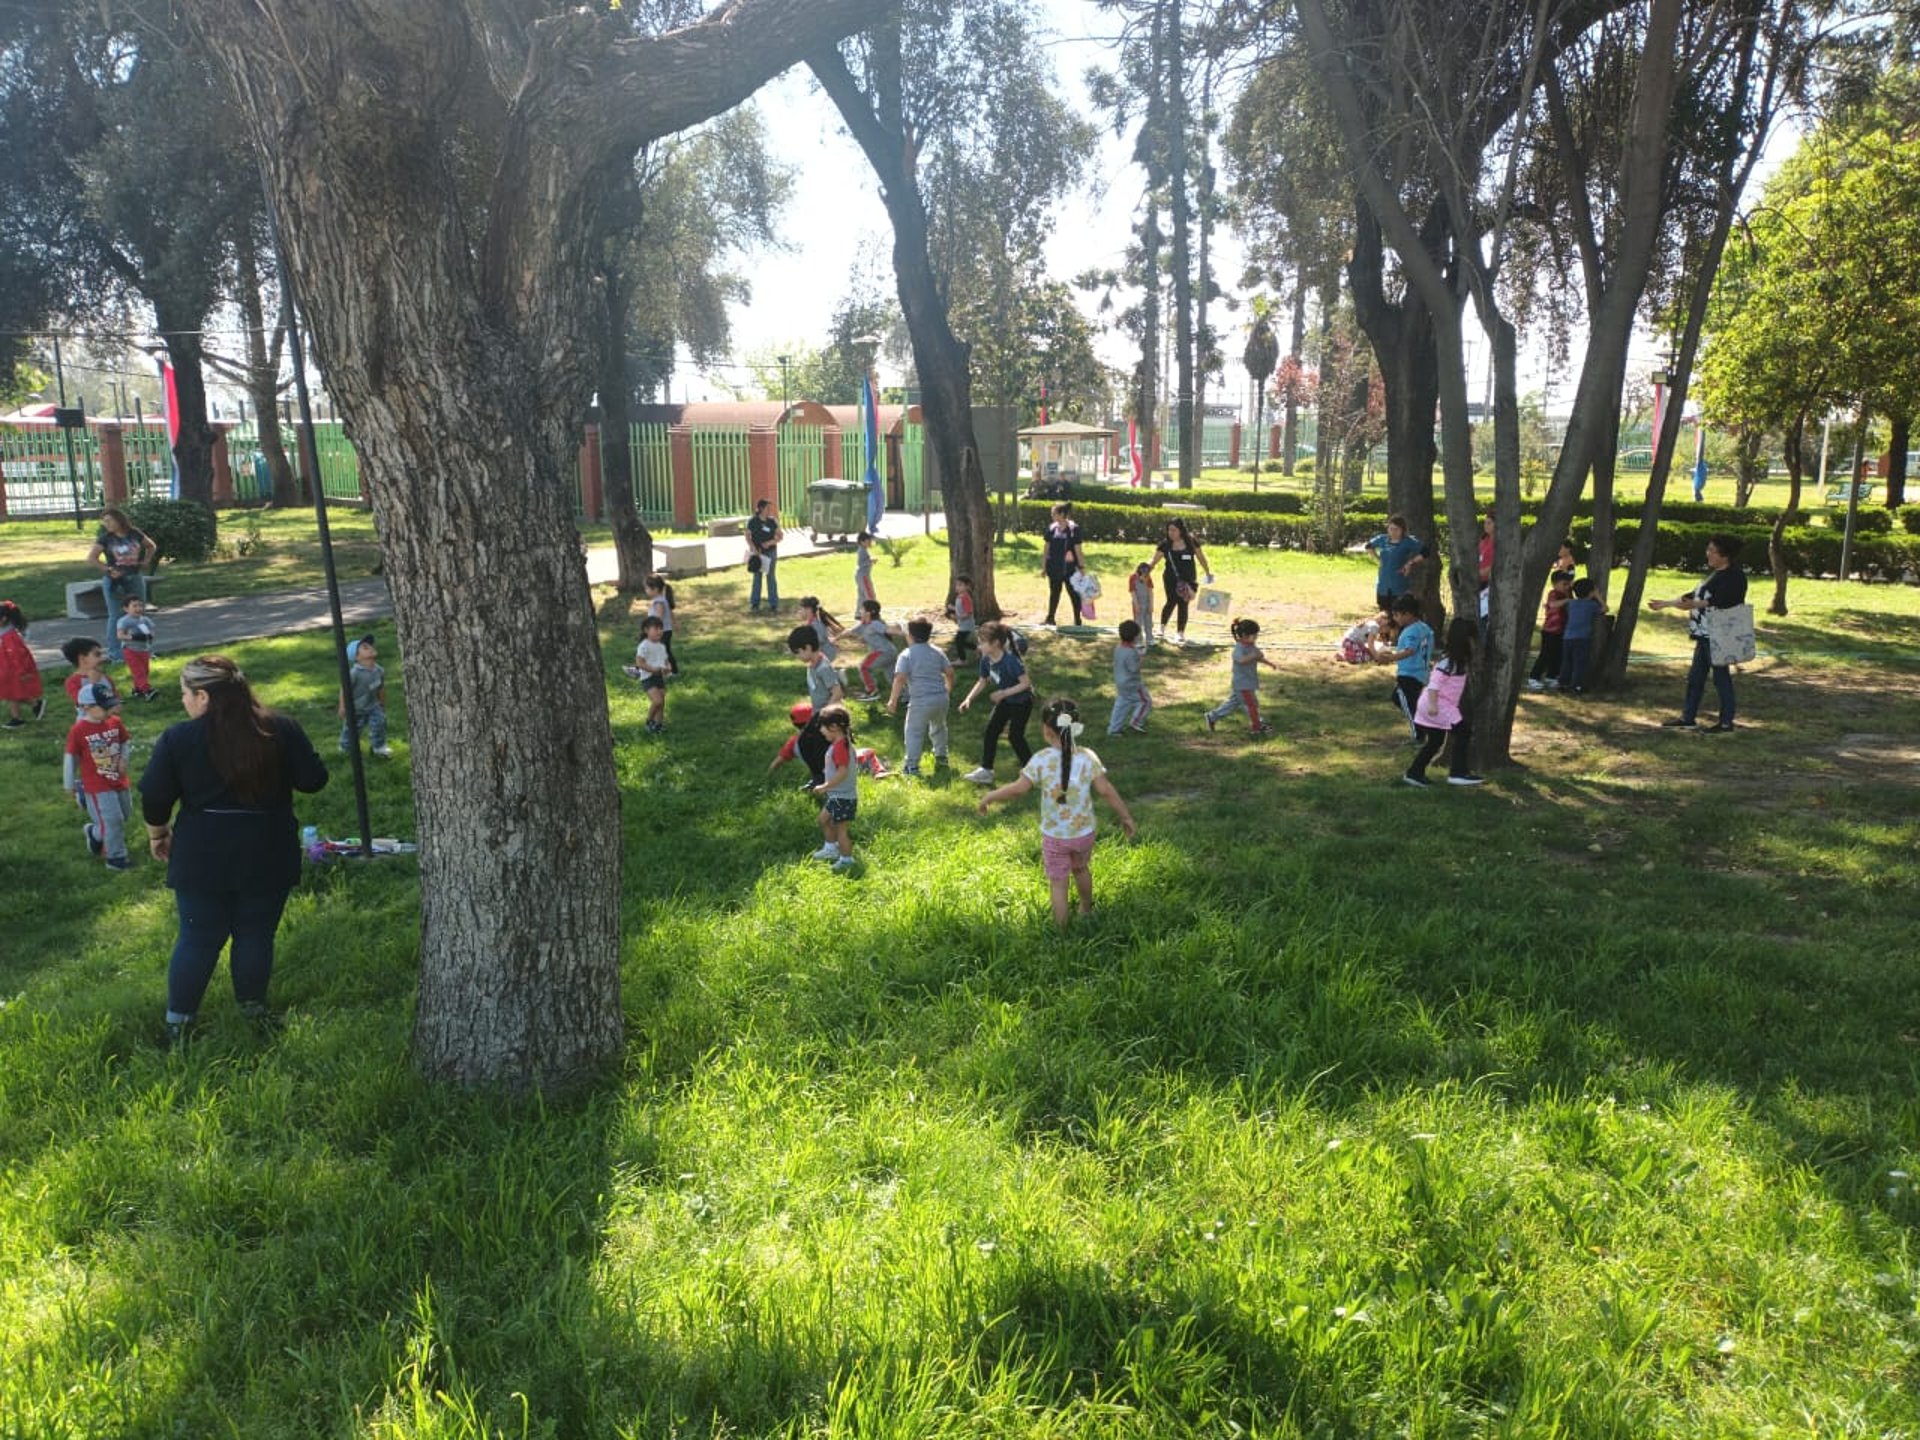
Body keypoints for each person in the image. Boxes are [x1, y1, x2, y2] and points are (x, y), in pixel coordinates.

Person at [139, 655, 329, 1045]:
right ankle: (253, 1009)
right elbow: (313, 780)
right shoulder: (279, 728)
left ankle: (179, 1023)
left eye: (185, 694)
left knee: (198, 936)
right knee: (256, 933)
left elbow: (155, 796)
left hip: (203, 852)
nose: (184, 701)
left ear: (204, 697)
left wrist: (158, 834)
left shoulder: (179, 738)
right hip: (267, 847)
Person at [977, 696, 1137, 929]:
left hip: (1055, 837)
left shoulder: (1041, 760)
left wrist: (990, 796)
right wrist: (1126, 817)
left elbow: (1018, 790)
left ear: (1046, 729)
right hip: (1083, 833)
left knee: (1058, 884)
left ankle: (1061, 932)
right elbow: (1106, 790)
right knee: (1081, 869)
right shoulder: (1088, 757)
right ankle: (1086, 910)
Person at [1650, 534, 1749, 731]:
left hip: (1721, 635)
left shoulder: (1735, 576)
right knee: (1695, 677)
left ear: (1724, 555)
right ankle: (1688, 718)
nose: (1708, 554)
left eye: (1712, 550)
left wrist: (1694, 604)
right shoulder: (1714, 575)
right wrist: (1666, 604)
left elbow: (1723, 601)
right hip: (1704, 634)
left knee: (1721, 678)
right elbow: (1692, 597)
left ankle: (1726, 722)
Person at [65, 679, 136, 869]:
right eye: (105, 707)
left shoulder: (115, 722)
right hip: (97, 785)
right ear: (86, 707)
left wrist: (124, 759)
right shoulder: (79, 730)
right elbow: (70, 757)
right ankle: (116, 858)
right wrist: (69, 785)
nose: (110, 710)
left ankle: (94, 833)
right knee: (112, 820)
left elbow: (124, 741)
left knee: (124, 815)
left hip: (119, 780)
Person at [1404, 618, 1483, 787]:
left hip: (1439, 705)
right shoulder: (1449, 663)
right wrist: (1433, 706)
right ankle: (1458, 773)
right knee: (1463, 732)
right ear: (1465, 640)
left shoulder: (1457, 661)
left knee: (1435, 741)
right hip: (1438, 705)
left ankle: (1414, 773)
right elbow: (1434, 684)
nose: (1474, 644)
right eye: (1472, 639)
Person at [958, 621, 1034, 784]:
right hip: (1006, 700)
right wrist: (968, 699)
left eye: (982, 642)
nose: (979, 646)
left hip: (1022, 702)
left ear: (996, 643)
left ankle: (1032, 770)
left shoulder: (1010, 661)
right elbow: (982, 681)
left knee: (1015, 736)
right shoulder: (986, 660)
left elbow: (1026, 684)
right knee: (991, 731)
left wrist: (1003, 693)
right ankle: (986, 771)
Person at [87, 507, 157, 662]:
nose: (107, 524)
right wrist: (108, 569)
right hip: (115, 581)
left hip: (134, 577)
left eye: (109, 521)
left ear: (119, 520)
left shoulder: (134, 533)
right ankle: (116, 654)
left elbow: (151, 546)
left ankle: (143, 650)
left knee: (139, 613)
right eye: (104, 522)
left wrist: (146, 560)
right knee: (116, 616)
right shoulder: (106, 538)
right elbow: (92, 558)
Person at [886, 618, 953, 777]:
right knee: (939, 727)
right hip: (941, 698)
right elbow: (950, 672)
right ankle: (941, 756)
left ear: (910, 636)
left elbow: (900, 678)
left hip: (920, 701)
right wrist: (947, 690)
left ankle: (912, 767)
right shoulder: (937, 651)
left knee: (913, 732)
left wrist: (893, 701)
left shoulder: (906, 655)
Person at [771, 702, 889, 787]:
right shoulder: (828, 734)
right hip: (840, 770)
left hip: (819, 773)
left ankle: (815, 783)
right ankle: (879, 771)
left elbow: (779, 760)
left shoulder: (794, 742)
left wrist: (769, 773)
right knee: (868, 752)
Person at [808, 703, 862, 872]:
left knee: (841, 830)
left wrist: (825, 786)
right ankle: (831, 848)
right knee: (823, 820)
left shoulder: (840, 747)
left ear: (834, 727)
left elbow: (842, 772)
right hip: (837, 795)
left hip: (843, 797)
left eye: (823, 727)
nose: (821, 730)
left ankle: (847, 860)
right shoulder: (841, 743)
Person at [1203, 617, 1278, 735]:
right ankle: (1257, 727)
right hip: (1243, 683)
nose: (1256, 638)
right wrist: (1253, 655)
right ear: (1244, 635)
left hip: (1248, 682)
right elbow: (1241, 660)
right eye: (1254, 635)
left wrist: (1269, 663)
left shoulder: (1251, 646)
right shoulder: (1239, 648)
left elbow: (1258, 656)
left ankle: (1212, 717)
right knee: (1251, 705)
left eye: (1256, 635)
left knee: (1233, 703)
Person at [1376, 593, 1433, 740]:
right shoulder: (1425, 628)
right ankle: (1422, 727)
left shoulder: (1411, 631)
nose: (1395, 619)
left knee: (1408, 704)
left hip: (1409, 674)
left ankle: (1418, 734)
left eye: (1397, 615)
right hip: (1421, 673)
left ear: (1407, 614)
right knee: (1402, 698)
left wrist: (1391, 658)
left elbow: (1410, 650)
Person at [1153, 518, 1212, 644]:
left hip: (1188, 578)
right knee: (1171, 601)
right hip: (1170, 578)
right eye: (1169, 530)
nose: (1171, 533)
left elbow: (1201, 557)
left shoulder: (1191, 542)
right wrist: (1144, 570)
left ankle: (1180, 632)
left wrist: (1207, 572)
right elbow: (1154, 561)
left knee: (1183, 604)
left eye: (1174, 530)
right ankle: (1161, 627)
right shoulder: (1165, 544)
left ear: (1181, 530)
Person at [338, 633, 393, 758]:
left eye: (370, 646)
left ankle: (378, 747)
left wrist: (382, 703)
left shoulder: (379, 670)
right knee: (352, 729)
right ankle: (346, 747)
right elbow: (344, 689)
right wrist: (342, 706)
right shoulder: (354, 674)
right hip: (356, 708)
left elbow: (380, 687)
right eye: (365, 647)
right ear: (357, 657)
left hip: (373, 705)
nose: (371, 648)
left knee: (380, 723)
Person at [1364, 514, 1426, 611]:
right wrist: (1378, 559)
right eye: (1391, 529)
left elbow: (1426, 551)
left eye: (1396, 529)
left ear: (1402, 530)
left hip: (1399, 584)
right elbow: (1368, 546)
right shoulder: (1382, 539)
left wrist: (1410, 563)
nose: (1393, 532)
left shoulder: (1408, 541)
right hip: (1383, 584)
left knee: (1399, 612)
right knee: (1384, 613)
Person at [0, 600, 47, 729]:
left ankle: (18, 718)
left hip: (12, 670)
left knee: (12, 693)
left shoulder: (9, 636)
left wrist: (22, 671)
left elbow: (17, 655)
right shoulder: (5, 632)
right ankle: (35, 705)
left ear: (3, 619)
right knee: (11, 693)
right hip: (7, 669)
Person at [1525, 570, 1574, 692]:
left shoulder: (1568, 595)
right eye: (1564, 584)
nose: (1567, 587)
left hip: (1562, 630)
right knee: (1545, 655)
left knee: (1558, 655)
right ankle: (1534, 677)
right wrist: (1567, 601)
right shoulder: (1554, 593)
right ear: (1555, 584)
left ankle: (1551, 676)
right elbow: (1553, 604)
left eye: (1569, 584)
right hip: (1550, 630)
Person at [1557, 578, 1606, 695]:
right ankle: (1577, 686)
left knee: (1567, 661)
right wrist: (1598, 597)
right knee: (1580, 663)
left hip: (1567, 637)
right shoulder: (1592, 605)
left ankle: (1563, 683)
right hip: (1582, 638)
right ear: (1591, 592)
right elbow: (1605, 609)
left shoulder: (1571, 604)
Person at [624, 616, 671, 732]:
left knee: (661, 702)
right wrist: (652, 669)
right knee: (657, 701)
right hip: (648, 678)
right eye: (656, 628)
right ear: (646, 630)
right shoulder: (644, 646)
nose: (659, 631)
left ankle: (658, 725)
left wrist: (668, 667)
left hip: (659, 677)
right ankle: (649, 721)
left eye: (661, 628)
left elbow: (665, 660)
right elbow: (639, 662)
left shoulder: (661, 646)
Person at [1041, 503, 1084, 626]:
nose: (1052, 515)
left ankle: (1077, 620)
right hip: (1054, 568)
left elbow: (1078, 550)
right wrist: (1044, 567)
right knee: (1054, 593)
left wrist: (1081, 567)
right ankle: (1050, 618)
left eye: (1054, 513)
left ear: (1062, 514)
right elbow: (1046, 549)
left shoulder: (1074, 529)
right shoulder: (1052, 529)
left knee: (1074, 595)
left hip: (1070, 569)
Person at [1108, 619, 1152, 735]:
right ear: (1135, 637)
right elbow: (1134, 668)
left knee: (1121, 704)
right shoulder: (1131, 653)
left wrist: (1136, 651)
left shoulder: (1118, 648)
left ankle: (1114, 729)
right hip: (1132, 684)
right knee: (1145, 701)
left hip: (1120, 683)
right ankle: (1136, 722)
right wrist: (1141, 656)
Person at [849, 599, 898, 701]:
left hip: (884, 652)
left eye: (862, 609)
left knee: (864, 667)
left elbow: (888, 630)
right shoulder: (864, 624)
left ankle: (872, 691)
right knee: (892, 677)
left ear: (868, 613)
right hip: (890, 652)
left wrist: (906, 632)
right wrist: (835, 638)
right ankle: (905, 697)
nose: (860, 611)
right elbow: (849, 631)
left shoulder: (875, 624)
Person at [788, 625, 846, 711]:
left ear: (808, 648)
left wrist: (825, 712)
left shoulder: (823, 668)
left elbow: (838, 693)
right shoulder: (813, 665)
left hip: (828, 715)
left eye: (797, 652)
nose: (797, 656)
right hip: (817, 711)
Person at [116, 595, 158, 700]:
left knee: (145, 671)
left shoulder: (145, 619)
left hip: (143, 649)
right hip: (130, 650)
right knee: (138, 671)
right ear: (126, 609)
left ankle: (137, 690)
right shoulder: (124, 621)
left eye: (140, 605)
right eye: (134, 606)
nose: (138, 608)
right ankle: (147, 690)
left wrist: (150, 636)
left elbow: (152, 631)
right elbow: (120, 635)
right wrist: (133, 637)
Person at [746, 498, 783, 613]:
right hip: (758, 553)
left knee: (771, 577)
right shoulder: (753, 521)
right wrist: (753, 548)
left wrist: (770, 543)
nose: (769, 510)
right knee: (757, 578)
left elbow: (780, 536)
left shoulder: (772, 521)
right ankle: (755, 603)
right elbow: (748, 536)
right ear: (761, 508)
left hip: (770, 552)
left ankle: (773, 604)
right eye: (767, 508)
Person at [61, 636, 113, 715]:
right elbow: (84, 703)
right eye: (97, 655)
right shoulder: (73, 682)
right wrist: (94, 684)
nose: (102, 658)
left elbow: (115, 700)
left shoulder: (105, 677)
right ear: (82, 659)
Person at [644, 574, 679, 676]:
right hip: (665, 631)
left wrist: (653, 629)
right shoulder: (662, 599)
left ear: (655, 589)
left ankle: (672, 671)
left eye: (647, 588)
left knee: (663, 652)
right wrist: (675, 623)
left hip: (661, 632)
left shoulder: (659, 602)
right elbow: (670, 613)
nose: (646, 590)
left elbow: (659, 617)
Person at [795, 597, 841, 663]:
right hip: (820, 655)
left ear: (808, 610)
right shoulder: (809, 624)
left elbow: (819, 641)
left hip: (825, 654)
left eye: (800, 609)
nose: (799, 612)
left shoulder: (816, 625)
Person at [947, 576, 978, 662]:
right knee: (960, 641)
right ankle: (977, 649)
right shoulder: (960, 596)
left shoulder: (965, 598)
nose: (957, 587)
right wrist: (953, 608)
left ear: (967, 586)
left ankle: (962, 659)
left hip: (967, 625)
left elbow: (968, 612)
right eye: (956, 585)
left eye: (960, 585)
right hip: (962, 625)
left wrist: (957, 617)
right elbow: (961, 609)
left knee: (959, 641)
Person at [1128, 562, 1156, 647]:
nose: (1145, 578)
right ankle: (1138, 640)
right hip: (1138, 603)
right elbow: (1132, 592)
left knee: (1148, 622)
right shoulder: (1132, 578)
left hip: (1147, 602)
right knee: (1138, 623)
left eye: (1146, 575)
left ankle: (1149, 639)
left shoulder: (1148, 578)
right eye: (1143, 575)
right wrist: (1136, 605)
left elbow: (1150, 591)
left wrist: (1151, 604)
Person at [853, 532, 879, 615]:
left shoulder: (863, 550)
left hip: (860, 575)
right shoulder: (862, 551)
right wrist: (871, 561)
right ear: (862, 542)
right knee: (870, 594)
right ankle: (873, 612)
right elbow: (861, 563)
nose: (870, 543)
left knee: (862, 595)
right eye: (868, 541)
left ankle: (859, 613)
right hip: (863, 576)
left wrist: (870, 560)